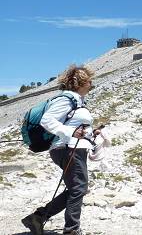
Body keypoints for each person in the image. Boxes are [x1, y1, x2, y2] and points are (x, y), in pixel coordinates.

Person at [22, 65, 100, 235]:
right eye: (89, 80)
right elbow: (47, 120)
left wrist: (91, 133)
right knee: (79, 188)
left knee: (76, 188)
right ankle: (71, 230)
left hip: (72, 148)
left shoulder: (77, 100)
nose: (91, 83)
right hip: (67, 148)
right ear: (80, 82)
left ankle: (38, 217)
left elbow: (72, 125)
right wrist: (71, 132)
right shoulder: (67, 99)